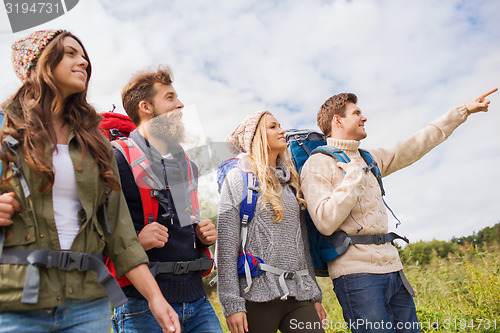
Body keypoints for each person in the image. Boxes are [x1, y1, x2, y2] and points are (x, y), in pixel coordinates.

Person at [0, 30, 180, 333]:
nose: (82, 61)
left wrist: (155, 297)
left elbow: (120, 231)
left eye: (83, 55)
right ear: (38, 64)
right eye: (70, 53)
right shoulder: (5, 130)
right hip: (17, 302)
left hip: (87, 302)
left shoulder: (95, 142)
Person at [300, 89, 497, 333]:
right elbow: (325, 222)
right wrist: (352, 179)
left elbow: (417, 143)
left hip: (394, 269)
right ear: (337, 121)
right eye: (357, 113)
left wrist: (463, 111)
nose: (364, 117)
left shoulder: (370, 157)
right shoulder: (317, 164)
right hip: (357, 275)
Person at [113, 65, 222, 333]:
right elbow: (100, 235)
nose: (180, 104)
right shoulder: (116, 159)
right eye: (170, 97)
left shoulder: (187, 165)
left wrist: (203, 235)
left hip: (197, 299)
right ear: (146, 107)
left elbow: (187, 227)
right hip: (140, 304)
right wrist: (137, 241)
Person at [218, 110, 326, 333]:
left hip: (299, 293)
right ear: (256, 137)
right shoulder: (238, 180)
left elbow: (302, 244)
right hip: (255, 295)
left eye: (280, 126)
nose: (282, 131)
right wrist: (231, 304)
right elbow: (226, 247)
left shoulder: (291, 182)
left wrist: (314, 292)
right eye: (273, 126)